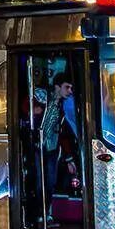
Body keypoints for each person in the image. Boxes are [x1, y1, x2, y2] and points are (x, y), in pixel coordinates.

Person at [40, 74, 75, 204]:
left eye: (71, 88)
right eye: (67, 87)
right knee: (40, 181)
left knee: (50, 181)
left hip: (51, 147)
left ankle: (46, 211)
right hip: (38, 146)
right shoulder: (43, 97)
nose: (69, 91)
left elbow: (63, 133)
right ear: (57, 87)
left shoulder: (63, 107)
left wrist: (69, 158)